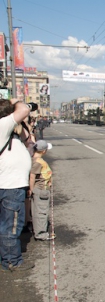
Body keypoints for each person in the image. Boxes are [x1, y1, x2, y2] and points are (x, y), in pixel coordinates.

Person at [0, 99, 35, 272]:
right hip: (9, 186)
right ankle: (12, 261)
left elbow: (27, 141)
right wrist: (19, 102)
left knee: (6, 224)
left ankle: (8, 257)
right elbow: (22, 111)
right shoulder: (1, 125)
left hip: (10, 184)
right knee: (11, 226)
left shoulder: (7, 131)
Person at [29, 140, 55, 241]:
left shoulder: (33, 159)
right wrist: (31, 190)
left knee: (37, 211)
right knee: (41, 212)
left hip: (39, 189)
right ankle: (41, 234)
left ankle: (37, 230)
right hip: (41, 190)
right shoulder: (38, 162)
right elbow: (32, 176)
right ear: (43, 151)